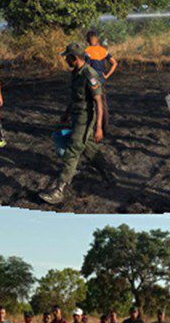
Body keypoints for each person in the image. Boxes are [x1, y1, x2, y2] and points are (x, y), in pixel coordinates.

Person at [39, 43, 117, 204]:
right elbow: (76, 97)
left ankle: (59, 189)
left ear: (74, 58)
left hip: (86, 118)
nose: (65, 60)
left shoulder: (90, 74)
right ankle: (108, 172)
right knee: (88, 147)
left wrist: (99, 127)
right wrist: (66, 113)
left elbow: (98, 102)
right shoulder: (76, 73)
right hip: (76, 115)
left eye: (67, 57)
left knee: (73, 150)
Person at [84, 31, 118, 133]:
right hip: (102, 81)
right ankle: (105, 126)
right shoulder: (104, 51)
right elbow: (115, 63)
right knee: (103, 104)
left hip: (91, 80)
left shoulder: (87, 51)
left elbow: (87, 67)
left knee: (89, 104)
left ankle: (92, 127)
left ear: (87, 41)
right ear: (97, 40)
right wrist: (107, 75)